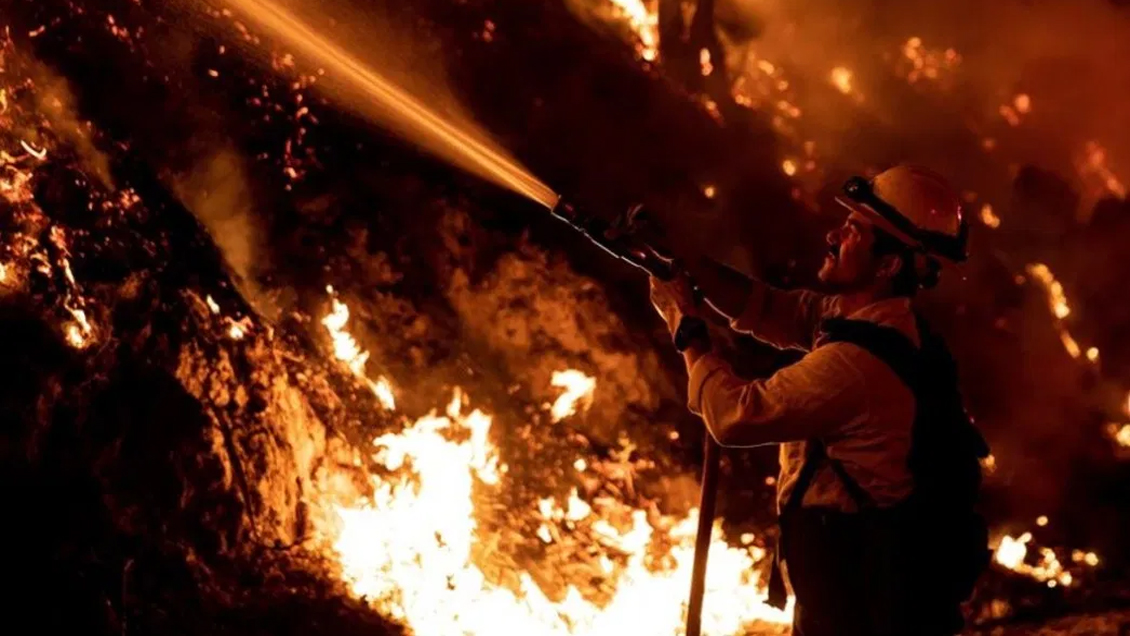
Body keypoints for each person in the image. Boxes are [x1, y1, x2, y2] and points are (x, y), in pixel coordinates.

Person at [649, 165, 990, 636]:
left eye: (853, 231)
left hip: (857, 601)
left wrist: (684, 325)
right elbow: (771, 309)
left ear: (889, 264)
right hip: (859, 585)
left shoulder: (856, 364)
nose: (832, 236)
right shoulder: (878, 323)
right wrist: (679, 264)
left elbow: (734, 418)